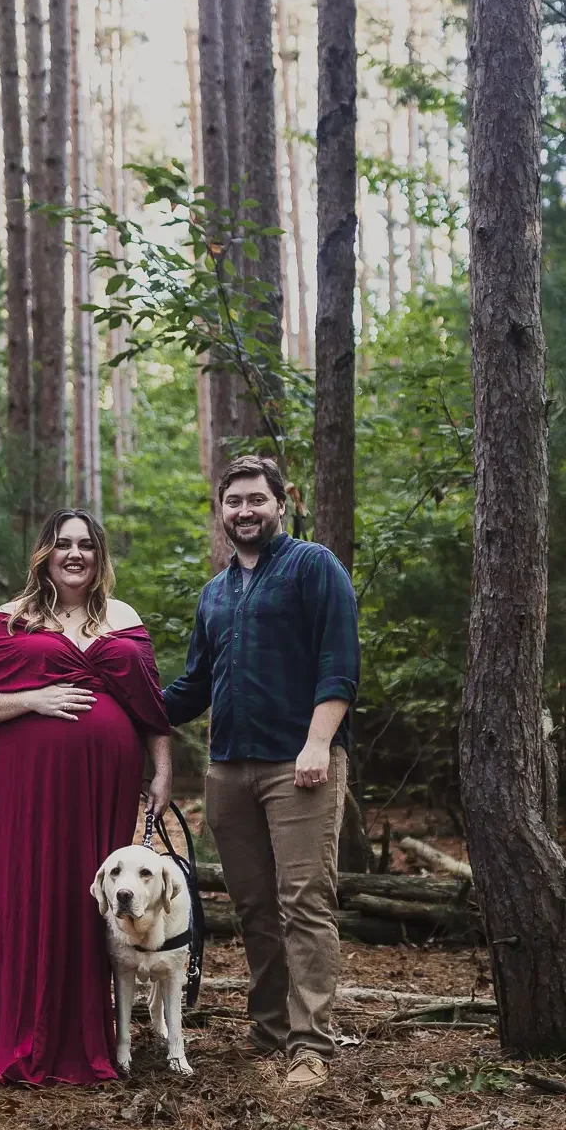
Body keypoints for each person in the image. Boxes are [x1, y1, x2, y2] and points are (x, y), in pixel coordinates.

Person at [0, 510, 175, 1085]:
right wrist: (37, 697)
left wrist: (162, 772)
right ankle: (17, 1031)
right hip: (25, 783)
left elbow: (151, 709)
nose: (74, 554)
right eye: (63, 544)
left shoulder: (123, 618)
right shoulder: (12, 618)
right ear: (44, 552)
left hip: (102, 783)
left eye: (86, 546)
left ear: (99, 556)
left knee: (91, 899)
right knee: (29, 888)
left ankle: (88, 1035)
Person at [163, 454, 360, 1092]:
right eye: (234, 502)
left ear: (282, 503)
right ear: (221, 512)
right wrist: (119, 706)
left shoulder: (312, 566)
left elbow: (340, 662)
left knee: (303, 902)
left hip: (297, 764)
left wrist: (318, 744)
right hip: (228, 771)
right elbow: (193, 686)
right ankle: (270, 1029)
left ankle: (310, 1045)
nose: (244, 511)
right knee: (253, 907)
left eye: (256, 500)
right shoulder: (215, 592)